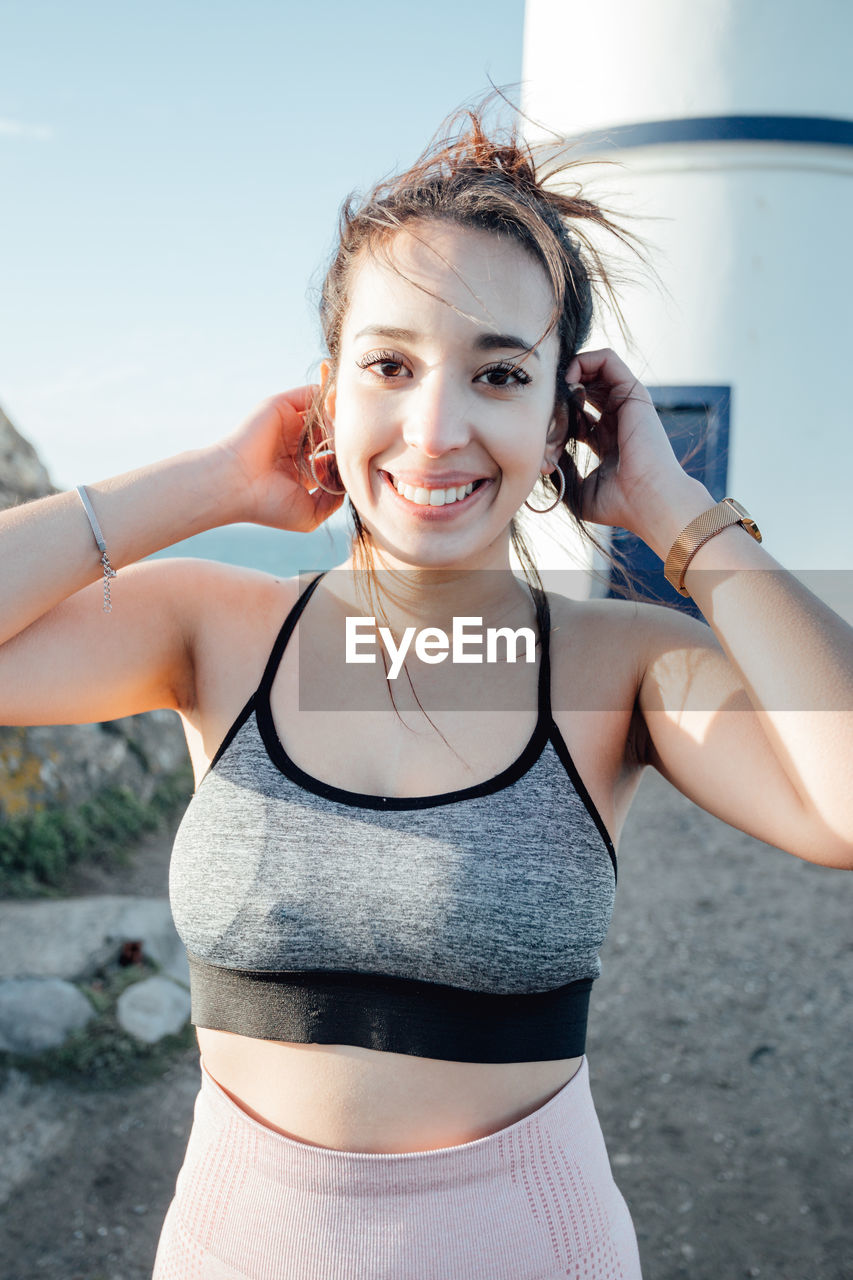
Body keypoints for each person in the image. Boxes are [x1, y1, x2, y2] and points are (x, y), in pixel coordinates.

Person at [1, 103, 851, 1280]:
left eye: (499, 373)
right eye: (389, 366)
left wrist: (677, 513)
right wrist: (209, 481)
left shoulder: (630, 666)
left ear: (563, 422)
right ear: (327, 396)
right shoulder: (213, 627)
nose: (437, 426)